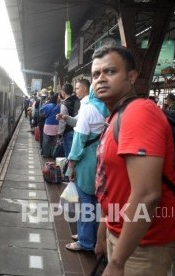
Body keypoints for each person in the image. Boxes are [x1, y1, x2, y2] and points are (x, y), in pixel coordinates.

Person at [92, 46, 175, 275]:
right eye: (96, 74)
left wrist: (117, 262)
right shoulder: (116, 116)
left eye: (110, 71)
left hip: (144, 245)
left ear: (131, 76)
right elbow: (113, 182)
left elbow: (147, 195)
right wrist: (105, 229)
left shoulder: (139, 113)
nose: (101, 79)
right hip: (123, 235)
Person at [65, 86, 109, 252]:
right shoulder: (108, 109)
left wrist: (71, 163)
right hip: (101, 160)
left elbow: (79, 140)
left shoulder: (88, 109)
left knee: (84, 203)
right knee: (97, 203)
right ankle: (90, 235)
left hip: (86, 162)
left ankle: (85, 241)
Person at [57, 83, 80, 158]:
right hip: (78, 130)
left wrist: (60, 134)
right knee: (76, 154)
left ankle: (70, 169)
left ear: (63, 92)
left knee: (69, 155)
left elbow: (62, 121)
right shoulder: (78, 101)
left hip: (68, 132)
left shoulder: (65, 104)